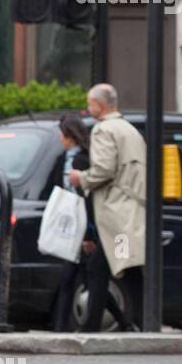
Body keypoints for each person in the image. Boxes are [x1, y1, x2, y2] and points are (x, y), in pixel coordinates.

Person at [69, 83, 146, 331]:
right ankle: (140, 323)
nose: (88, 107)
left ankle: (91, 326)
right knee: (128, 269)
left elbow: (103, 170)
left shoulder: (103, 130)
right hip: (130, 212)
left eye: (90, 103)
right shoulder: (130, 130)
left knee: (98, 268)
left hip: (115, 215)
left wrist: (81, 178)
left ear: (99, 106)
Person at [50, 115, 123, 333]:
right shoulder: (62, 160)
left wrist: (89, 236)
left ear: (69, 136)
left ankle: (60, 329)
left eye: (61, 134)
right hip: (70, 228)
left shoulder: (82, 161)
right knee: (85, 280)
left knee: (72, 278)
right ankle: (124, 321)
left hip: (83, 229)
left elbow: (89, 201)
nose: (59, 138)